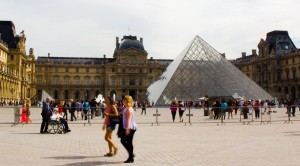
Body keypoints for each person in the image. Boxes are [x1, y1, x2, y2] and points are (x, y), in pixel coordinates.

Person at [120, 95, 137, 163]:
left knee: (124, 141)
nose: (123, 100)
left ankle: (131, 155)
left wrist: (127, 129)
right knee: (128, 142)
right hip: (130, 127)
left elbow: (129, 119)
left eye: (124, 99)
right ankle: (131, 157)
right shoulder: (127, 108)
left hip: (130, 127)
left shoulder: (129, 109)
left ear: (126, 101)